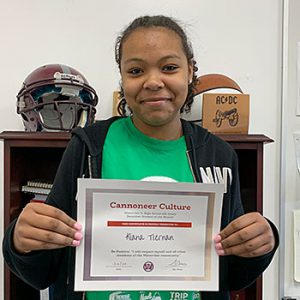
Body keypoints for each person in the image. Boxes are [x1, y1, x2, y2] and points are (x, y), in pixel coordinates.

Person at [2, 15, 279, 300]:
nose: (153, 82)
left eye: (169, 67)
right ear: (122, 78)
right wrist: (21, 242)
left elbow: (233, 273)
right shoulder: (88, 147)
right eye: (135, 71)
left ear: (190, 72)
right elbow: (44, 269)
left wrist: (261, 243)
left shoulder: (220, 155)